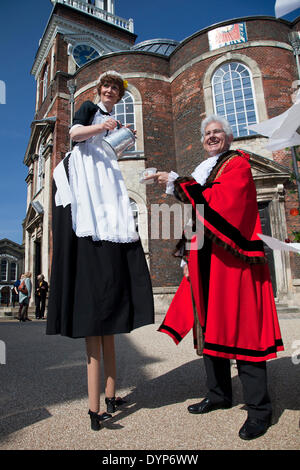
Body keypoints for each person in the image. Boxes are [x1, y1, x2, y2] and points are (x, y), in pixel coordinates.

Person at [146, 114, 284, 440]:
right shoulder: (205, 169)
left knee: (244, 329)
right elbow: (197, 208)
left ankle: (259, 410)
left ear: (228, 137)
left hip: (233, 262)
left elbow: (219, 203)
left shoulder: (236, 164)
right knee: (211, 327)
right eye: (207, 133)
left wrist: (179, 181)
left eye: (217, 132)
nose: (211, 136)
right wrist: (186, 249)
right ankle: (219, 394)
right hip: (205, 261)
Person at [46, 70, 154, 431]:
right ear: (99, 90)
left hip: (107, 182)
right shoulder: (90, 107)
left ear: (119, 94)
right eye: (107, 86)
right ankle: (95, 409)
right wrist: (103, 127)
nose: (110, 91)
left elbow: (108, 151)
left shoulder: (111, 118)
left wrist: (120, 137)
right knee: (99, 331)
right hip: (89, 185)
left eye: (115, 89)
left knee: (109, 332)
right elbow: (75, 135)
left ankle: (111, 396)